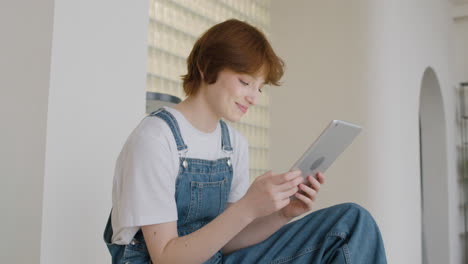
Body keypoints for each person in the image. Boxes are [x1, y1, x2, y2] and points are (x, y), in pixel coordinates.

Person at [103, 19, 387, 264]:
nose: (254, 97)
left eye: (260, 87)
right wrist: (248, 207)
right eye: (245, 81)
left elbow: (226, 242)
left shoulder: (233, 144)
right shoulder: (155, 137)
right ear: (206, 67)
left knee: (351, 222)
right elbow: (165, 257)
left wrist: (282, 214)